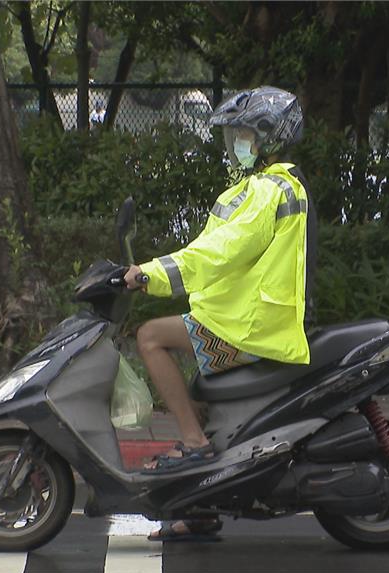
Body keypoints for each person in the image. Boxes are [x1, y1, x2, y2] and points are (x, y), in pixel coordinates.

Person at [123, 86, 317, 539]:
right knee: (198, 384)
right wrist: (159, 274)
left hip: (251, 325)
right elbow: (210, 252)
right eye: (234, 135)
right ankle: (204, 505)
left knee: (150, 337)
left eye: (244, 134)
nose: (236, 143)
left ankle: (193, 443)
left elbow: (221, 252)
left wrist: (149, 274)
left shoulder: (270, 189)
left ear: (269, 138)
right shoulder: (259, 186)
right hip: (242, 316)